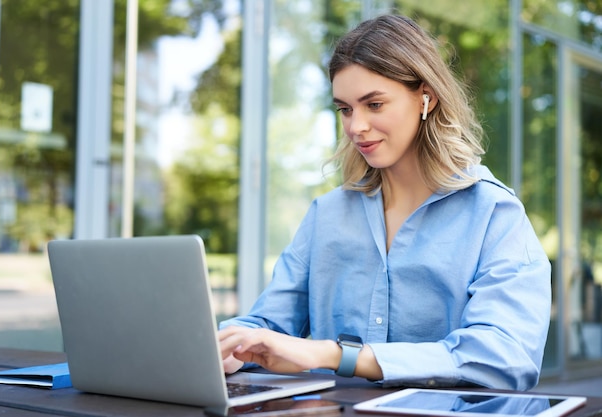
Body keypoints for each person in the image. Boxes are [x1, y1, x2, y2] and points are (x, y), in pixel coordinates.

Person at [218, 14, 551, 391]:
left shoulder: (494, 214)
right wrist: (227, 343)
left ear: (426, 98)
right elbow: (269, 324)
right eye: (345, 108)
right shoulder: (326, 215)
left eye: (373, 104)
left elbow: (505, 355)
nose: (356, 126)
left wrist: (335, 356)